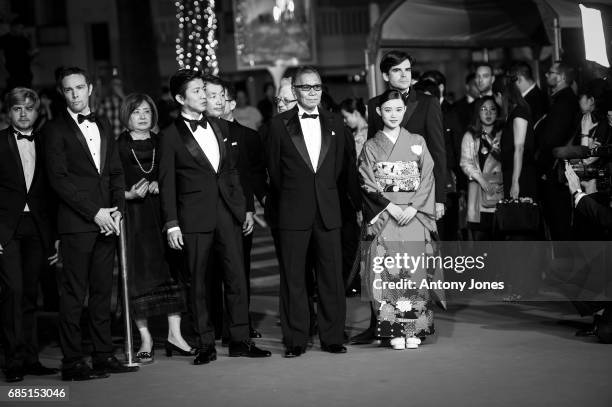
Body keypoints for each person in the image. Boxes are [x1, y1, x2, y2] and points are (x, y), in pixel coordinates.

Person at [158, 69, 270, 365]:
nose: (204, 95)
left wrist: (244, 206)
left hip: (228, 212)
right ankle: (205, 343)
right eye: (197, 91)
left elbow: (232, 172)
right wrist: (171, 224)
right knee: (198, 283)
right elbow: (168, 183)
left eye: (204, 90)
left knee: (236, 278)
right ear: (181, 98)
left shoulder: (220, 126)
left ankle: (240, 340)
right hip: (193, 216)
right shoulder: (169, 136)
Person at [44, 67, 137, 380]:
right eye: (68, 90)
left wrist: (117, 210)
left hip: (107, 221)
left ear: (90, 89)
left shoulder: (103, 121)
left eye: (79, 88)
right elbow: (58, 180)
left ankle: (102, 355)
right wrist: (95, 212)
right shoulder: (54, 130)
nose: (75, 94)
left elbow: (114, 171)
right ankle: (71, 362)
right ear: (62, 93)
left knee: (101, 293)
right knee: (73, 295)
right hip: (77, 223)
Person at [265, 66, 361, 357]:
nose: (312, 92)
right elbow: (274, 172)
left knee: (331, 277)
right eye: (306, 88)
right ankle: (296, 339)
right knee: (295, 279)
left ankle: (332, 337)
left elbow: (347, 172)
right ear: (295, 91)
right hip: (293, 212)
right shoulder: (278, 125)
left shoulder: (337, 124)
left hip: (330, 212)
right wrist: (296, 197)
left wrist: (354, 208)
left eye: (316, 87)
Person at [358, 89, 444, 350]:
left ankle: (414, 328)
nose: (393, 114)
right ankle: (393, 329)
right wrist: (390, 207)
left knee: (415, 273)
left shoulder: (417, 140)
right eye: (387, 110)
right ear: (378, 112)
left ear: (404, 111)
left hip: (413, 216)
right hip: (387, 217)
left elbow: (428, 176)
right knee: (389, 273)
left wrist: (415, 207)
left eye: (398, 109)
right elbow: (365, 180)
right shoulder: (371, 146)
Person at [116, 93, 192, 364]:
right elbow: (108, 184)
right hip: (134, 218)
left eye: (147, 111)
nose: (143, 116)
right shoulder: (117, 147)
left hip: (163, 216)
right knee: (139, 277)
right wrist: (127, 194)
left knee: (172, 272)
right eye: (136, 112)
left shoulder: (164, 142)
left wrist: (163, 184)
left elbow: (178, 174)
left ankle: (175, 334)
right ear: (127, 115)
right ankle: (145, 338)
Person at [0, 88, 59, 382]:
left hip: (37, 228)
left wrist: (55, 236)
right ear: (8, 113)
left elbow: (53, 193)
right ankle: (13, 360)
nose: (23, 114)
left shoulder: (47, 143)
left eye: (29, 109)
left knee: (31, 295)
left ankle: (31, 357)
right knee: (13, 292)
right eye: (17, 109)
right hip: (6, 229)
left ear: (38, 112)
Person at [202, 75, 265, 341]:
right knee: (210, 272)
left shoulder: (248, 137)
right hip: (207, 212)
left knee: (240, 270)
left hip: (240, 212)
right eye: (213, 97)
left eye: (223, 98)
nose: (219, 102)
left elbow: (251, 178)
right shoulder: (199, 133)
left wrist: (250, 208)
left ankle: (240, 323)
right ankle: (215, 324)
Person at [538, 61, 579, 241]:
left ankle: (565, 264)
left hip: (556, 169)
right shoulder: (562, 99)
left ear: (561, 77)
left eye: (551, 72)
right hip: (556, 168)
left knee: (558, 219)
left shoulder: (563, 101)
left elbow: (552, 137)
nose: (547, 75)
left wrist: (544, 167)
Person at [460, 96, 503, 241]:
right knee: (481, 243)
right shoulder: (470, 135)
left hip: (500, 192)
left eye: (492, 109)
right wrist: (483, 181)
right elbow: (465, 163)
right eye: (484, 109)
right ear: (477, 113)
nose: (488, 113)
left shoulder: (504, 133)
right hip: (479, 194)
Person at [0, 18, 37, 89]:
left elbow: (32, 52)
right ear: (13, 27)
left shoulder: (23, 39)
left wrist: (31, 37)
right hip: (12, 72)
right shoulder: (4, 39)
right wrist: (4, 71)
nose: (21, 30)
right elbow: (1, 56)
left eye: (22, 28)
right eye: (20, 28)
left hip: (26, 72)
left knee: (27, 92)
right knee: (14, 93)